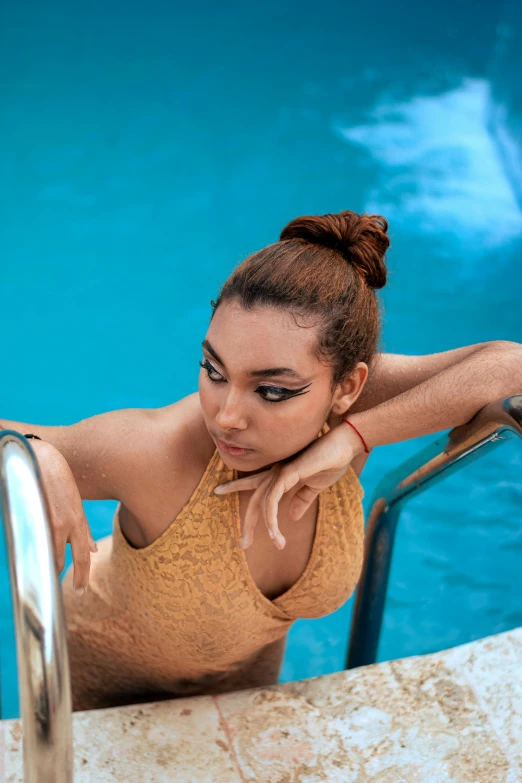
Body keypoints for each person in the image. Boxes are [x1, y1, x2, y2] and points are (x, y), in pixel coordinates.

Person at [1, 210, 520, 712]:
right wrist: (33, 455)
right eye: (214, 369)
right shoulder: (155, 453)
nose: (226, 417)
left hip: (240, 695)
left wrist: (354, 439)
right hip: (94, 693)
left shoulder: (348, 417)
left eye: (271, 391)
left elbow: (510, 367)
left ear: (347, 388)